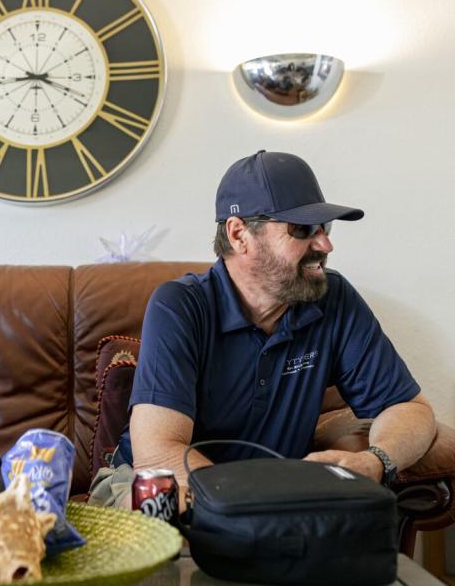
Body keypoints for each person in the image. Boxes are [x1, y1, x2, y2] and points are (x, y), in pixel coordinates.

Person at [96, 150, 436, 508]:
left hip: (270, 497)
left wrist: (375, 462)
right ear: (240, 233)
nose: (325, 245)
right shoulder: (179, 306)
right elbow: (159, 454)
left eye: (325, 228)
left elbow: (410, 408)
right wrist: (250, 513)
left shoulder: (334, 299)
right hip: (156, 486)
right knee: (171, 523)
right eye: (302, 229)